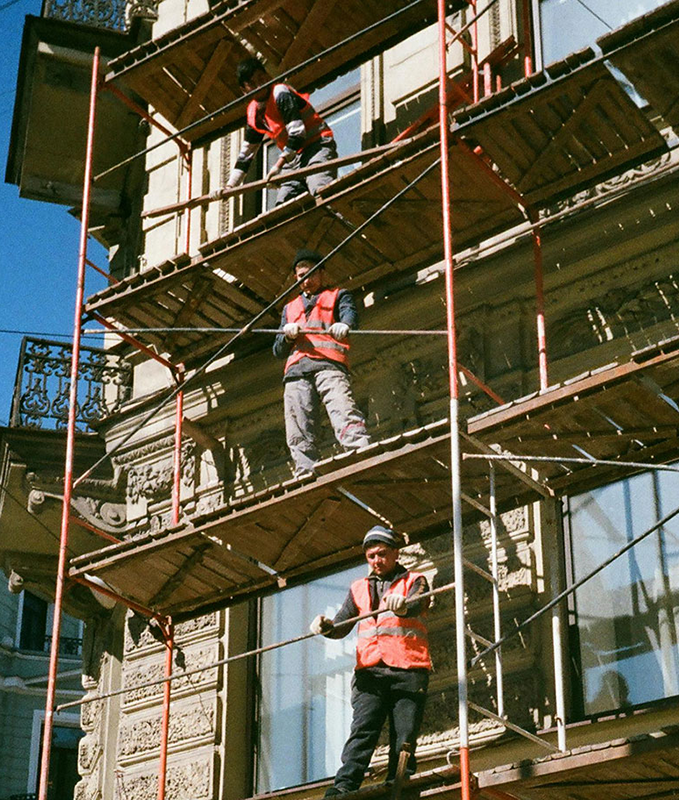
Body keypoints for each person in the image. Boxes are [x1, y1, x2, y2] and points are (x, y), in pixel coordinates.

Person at [310, 526, 432, 795]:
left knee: (405, 736)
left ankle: (399, 784)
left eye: (382, 554)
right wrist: (326, 626)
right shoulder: (359, 588)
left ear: (396, 553)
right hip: (370, 672)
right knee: (363, 731)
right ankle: (343, 788)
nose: (377, 560)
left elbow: (418, 602)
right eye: (371, 556)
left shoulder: (415, 580)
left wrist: (404, 604)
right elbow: (343, 623)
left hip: (408, 669)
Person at [272, 249, 370, 476]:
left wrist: (345, 325)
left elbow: (350, 316)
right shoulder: (290, 308)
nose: (306, 281)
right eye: (301, 276)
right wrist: (287, 336)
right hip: (297, 371)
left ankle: (358, 449)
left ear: (322, 273)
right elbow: (278, 349)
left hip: (328, 365)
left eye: (311, 273)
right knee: (298, 424)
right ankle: (305, 470)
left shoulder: (338, 295)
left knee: (342, 408)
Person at [219, 57, 338, 205]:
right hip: (293, 159)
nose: (259, 85)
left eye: (261, 78)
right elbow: (246, 154)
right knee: (283, 208)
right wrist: (230, 186)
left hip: (316, 147)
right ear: (244, 90)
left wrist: (277, 166)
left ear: (267, 76)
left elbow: (297, 133)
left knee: (322, 194)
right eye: (251, 83)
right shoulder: (254, 113)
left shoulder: (280, 93)